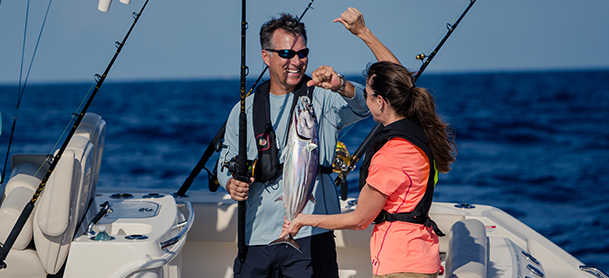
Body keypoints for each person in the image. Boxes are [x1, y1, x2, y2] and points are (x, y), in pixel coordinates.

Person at [217, 8, 399, 278]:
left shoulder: (322, 96)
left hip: (311, 236)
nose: (297, 61)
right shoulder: (245, 108)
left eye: (303, 53)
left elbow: (376, 105)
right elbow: (224, 161)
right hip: (256, 238)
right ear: (266, 56)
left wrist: (341, 85)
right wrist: (230, 183)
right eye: (287, 54)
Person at [282, 61, 457, 277]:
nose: (365, 100)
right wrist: (362, 33)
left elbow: (359, 220)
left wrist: (302, 220)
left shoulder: (391, 154)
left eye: (367, 94)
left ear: (381, 101)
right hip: (420, 255)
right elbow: (400, 80)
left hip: (401, 265)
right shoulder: (416, 132)